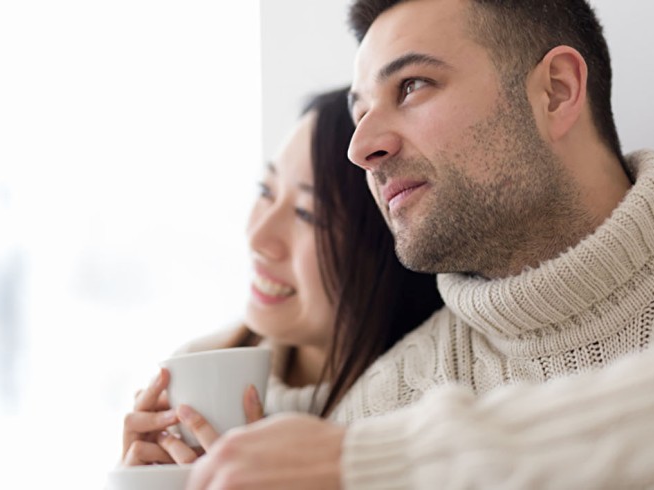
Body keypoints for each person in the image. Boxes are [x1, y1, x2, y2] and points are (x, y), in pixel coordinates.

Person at [186, 0, 654, 488]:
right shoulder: (384, 406)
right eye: (361, 108)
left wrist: (393, 466)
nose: (361, 146)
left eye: (413, 85)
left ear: (555, 91)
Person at [120, 87, 443, 466]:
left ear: (390, 244)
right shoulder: (198, 371)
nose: (258, 237)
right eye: (266, 192)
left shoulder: (434, 418)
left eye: (307, 214)